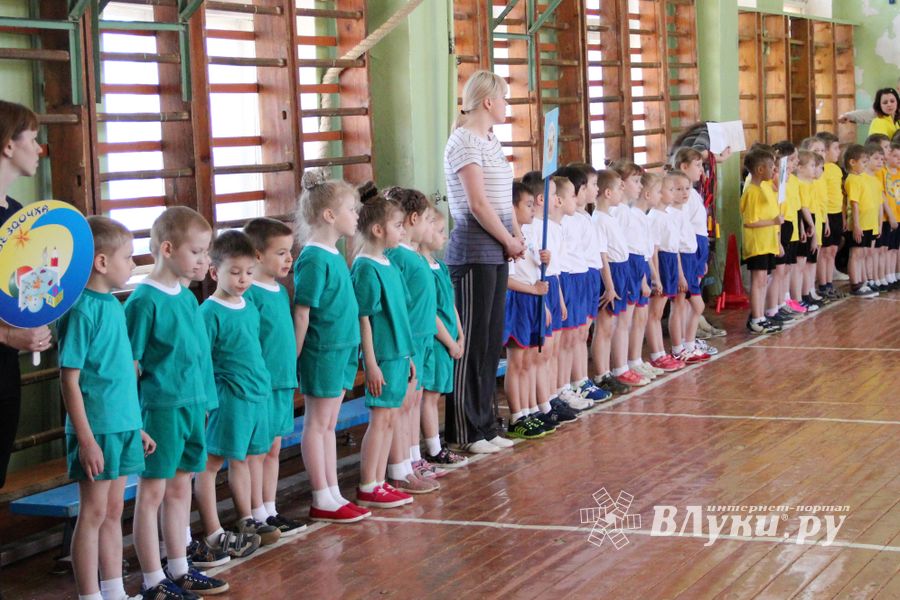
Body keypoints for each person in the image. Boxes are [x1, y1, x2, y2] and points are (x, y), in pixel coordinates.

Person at [124, 207, 227, 597]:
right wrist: (135, 421)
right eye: (197, 252)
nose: (205, 260)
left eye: (207, 252)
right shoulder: (143, 300)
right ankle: (153, 579)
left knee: (181, 487)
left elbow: (199, 356)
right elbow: (130, 367)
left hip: (192, 407)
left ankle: (180, 567)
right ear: (167, 248)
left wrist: (205, 400)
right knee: (152, 493)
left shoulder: (186, 297)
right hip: (160, 409)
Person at [58, 216, 156, 600]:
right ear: (100, 262)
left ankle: (114, 591)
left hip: (122, 427)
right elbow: (70, 380)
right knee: (94, 514)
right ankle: (90, 595)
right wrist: (86, 439)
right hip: (95, 430)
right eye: (128, 257)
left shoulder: (115, 305)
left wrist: (135, 426)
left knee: (115, 511)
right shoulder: (81, 309)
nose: (132, 265)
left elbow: (118, 375)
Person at [443, 70, 524, 455]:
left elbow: (502, 196)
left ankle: (487, 424)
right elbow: (476, 203)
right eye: (505, 98)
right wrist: (506, 237)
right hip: (474, 250)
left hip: (497, 249)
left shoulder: (491, 140)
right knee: (471, 341)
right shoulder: (463, 141)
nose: (507, 105)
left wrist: (516, 235)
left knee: (491, 341)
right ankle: (466, 429)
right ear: (489, 101)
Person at [196, 230, 282, 565]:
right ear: (215, 272)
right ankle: (213, 529)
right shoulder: (209, 312)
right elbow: (202, 360)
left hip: (255, 396)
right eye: (235, 272)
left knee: (247, 457)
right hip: (228, 398)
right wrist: (207, 402)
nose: (243, 279)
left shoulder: (250, 305)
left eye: (248, 272)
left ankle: (247, 517)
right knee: (211, 464)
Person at [292, 173, 371, 523]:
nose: (356, 216)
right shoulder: (312, 258)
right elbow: (303, 312)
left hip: (342, 350)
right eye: (351, 210)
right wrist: (292, 357)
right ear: (328, 215)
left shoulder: (333, 253)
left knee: (329, 425)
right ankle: (321, 494)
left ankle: (332, 491)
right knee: (318, 424)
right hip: (322, 351)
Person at [351, 186, 415, 509]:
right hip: (383, 356)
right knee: (379, 420)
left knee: (390, 418)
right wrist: (371, 363)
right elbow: (363, 319)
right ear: (378, 230)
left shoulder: (387, 262)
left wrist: (409, 354)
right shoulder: (365, 267)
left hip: (398, 353)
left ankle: (380, 481)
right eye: (398, 225)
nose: (402, 231)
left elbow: (401, 311)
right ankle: (368, 483)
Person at [242, 218, 307, 535]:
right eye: (281, 253)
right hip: (261, 387)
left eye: (289, 252)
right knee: (258, 450)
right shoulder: (250, 294)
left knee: (274, 448)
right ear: (256, 255)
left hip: (283, 382)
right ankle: (256, 511)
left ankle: (270, 507)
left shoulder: (281, 291)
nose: (289, 258)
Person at [0, 100, 52, 489]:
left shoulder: (17, 213)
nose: (38, 149)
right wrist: (7, 335)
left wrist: (34, 320)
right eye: (32, 139)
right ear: (7, 145)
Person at [382, 187, 441, 492]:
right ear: (414, 218)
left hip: (421, 340)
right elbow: (397, 304)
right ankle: (398, 468)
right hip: (407, 342)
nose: (429, 226)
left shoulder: (412, 255)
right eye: (427, 219)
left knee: (412, 403)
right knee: (401, 405)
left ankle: (411, 461)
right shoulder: (396, 256)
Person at [419, 211, 470, 467]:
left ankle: (434, 446)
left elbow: (450, 305)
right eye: (439, 230)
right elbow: (431, 312)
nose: (444, 236)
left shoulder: (440, 266)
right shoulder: (421, 268)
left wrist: (460, 334)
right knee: (430, 395)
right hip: (438, 341)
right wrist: (450, 341)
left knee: (436, 393)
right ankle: (434, 448)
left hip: (450, 338)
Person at [740, 148, 784, 334]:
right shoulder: (752, 191)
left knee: (763, 280)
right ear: (760, 170)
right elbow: (750, 222)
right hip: (757, 244)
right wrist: (773, 222)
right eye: (771, 167)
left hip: (767, 242)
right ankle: (756, 318)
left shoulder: (764, 187)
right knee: (758, 281)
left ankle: (761, 315)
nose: (774, 171)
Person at [844, 144, 880, 297]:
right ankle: (855, 284)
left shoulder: (863, 178)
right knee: (856, 254)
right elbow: (855, 204)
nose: (866, 166)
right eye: (863, 162)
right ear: (852, 162)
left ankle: (863, 281)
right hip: (860, 224)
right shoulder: (852, 179)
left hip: (869, 223)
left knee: (864, 253)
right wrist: (857, 225)